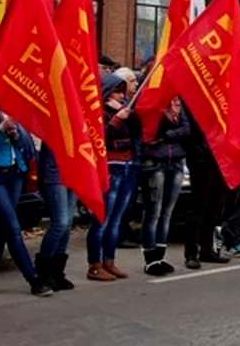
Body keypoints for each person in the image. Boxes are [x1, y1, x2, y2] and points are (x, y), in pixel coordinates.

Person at [0, 88, 52, 297]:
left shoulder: (2, 110)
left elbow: (19, 145)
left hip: (15, 174)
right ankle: (33, 279)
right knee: (12, 226)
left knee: (1, 228)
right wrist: (0, 129)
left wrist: (16, 135)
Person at [87, 74, 140, 282]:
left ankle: (109, 260)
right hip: (109, 168)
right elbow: (102, 137)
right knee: (102, 219)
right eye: (116, 91)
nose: (120, 95)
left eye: (122, 91)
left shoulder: (125, 110)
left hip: (126, 167)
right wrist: (117, 118)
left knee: (116, 220)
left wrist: (126, 114)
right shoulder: (98, 113)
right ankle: (94, 264)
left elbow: (137, 131)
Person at [139, 96, 190, 276]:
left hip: (176, 162)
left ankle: (160, 255)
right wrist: (168, 125)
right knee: (154, 210)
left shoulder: (178, 105)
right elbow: (151, 133)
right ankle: (150, 257)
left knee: (167, 212)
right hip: (155, 163)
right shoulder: (151, 103)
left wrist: (168, 134)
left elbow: (186, 129)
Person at [182, 105, 231, 269]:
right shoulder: (194, 98)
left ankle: (207, 249)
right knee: (197, 206)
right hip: (200, 156)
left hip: (220, 156)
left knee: (215, 206)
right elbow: (191, 129)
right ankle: (191, 253)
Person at [35, 143, 77, 291]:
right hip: (55, 173)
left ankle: (57, 272)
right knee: (61, 222)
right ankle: (43, 273)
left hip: (76, 171)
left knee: (67, 223)